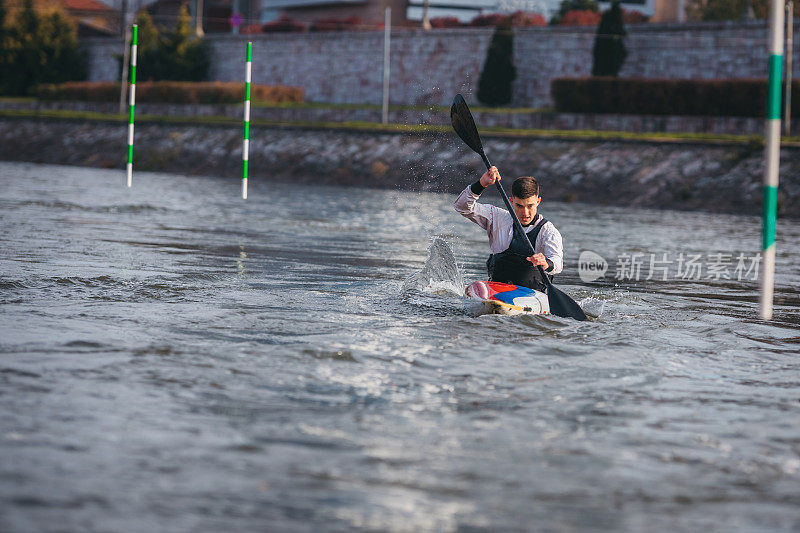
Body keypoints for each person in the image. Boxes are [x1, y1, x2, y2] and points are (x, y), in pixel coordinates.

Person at [454, 166, 563, 293]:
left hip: (532, 294)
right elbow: (462, 207)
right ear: (511, 201)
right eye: (519, 206)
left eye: (530, 206)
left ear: (538, 201)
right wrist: (481, 184)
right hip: (496, 291)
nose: (525, 213)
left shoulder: (548, 231)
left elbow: (557, 262)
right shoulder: (497, 217)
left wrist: (545, 263)